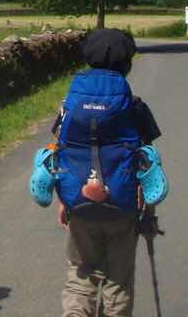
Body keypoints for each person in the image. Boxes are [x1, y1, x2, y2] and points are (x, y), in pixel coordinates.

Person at [54, 28, 162, 317]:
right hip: (123, 208)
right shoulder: (135, 108)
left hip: (80, 204)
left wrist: (64, 201)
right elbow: (148, 165)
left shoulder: (69, 106)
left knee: (81, 275)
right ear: (127, 64)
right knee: (118, 280)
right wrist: (149, 214)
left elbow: (61, 152)